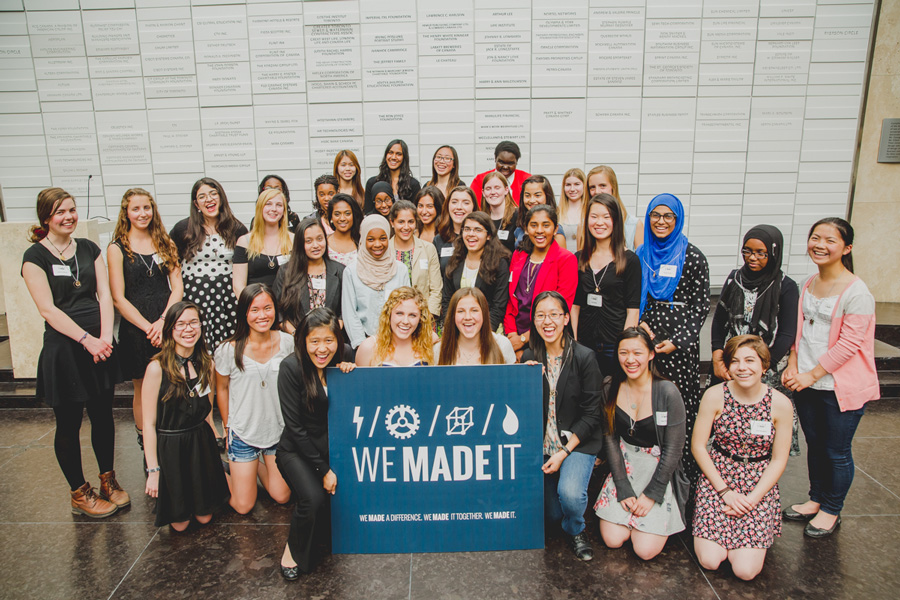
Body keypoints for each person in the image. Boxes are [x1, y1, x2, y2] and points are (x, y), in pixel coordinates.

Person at [22, 187, 128, 517]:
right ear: (46, 218)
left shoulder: (88, 248)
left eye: (71, 210)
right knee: (68, 423)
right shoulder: (34, 258)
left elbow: (105, 296)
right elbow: (48, 310)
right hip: (66, 349)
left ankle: (108, 479)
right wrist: (87, 340)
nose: (68, 217)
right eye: (60, 212)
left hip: (99, 343)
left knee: (102, 415)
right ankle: (80, 492)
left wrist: (105, 338)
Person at [782, 217, 879, 538]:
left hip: (839, 386)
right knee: (816, 446)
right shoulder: (808, 283)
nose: (820, 245)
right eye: (815, 238)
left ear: (846, 248)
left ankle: (831, 509)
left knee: (837, 450)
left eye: (830, 240)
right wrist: (793, 364)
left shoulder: (858, 292)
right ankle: (816, 499)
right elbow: (799, 332)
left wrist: (812, 374)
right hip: (806, 381)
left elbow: (850, 344)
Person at [692, 335, 793, 580]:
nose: (742, 367)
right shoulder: (715, 396)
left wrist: (752, 499)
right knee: (710, 560)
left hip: (757, 483)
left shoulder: (780, 404)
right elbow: (698, 446)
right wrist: (725, 491)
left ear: (764, 366)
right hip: (717, 478)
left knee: (745, 571)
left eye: (750, 360)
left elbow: (779, 459)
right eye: (735, 361)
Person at [521, 291, 604, 561]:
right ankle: (561, 504)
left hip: (576, 444)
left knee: (570, 497)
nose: (548, 321)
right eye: (541, 315)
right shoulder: (530, 357)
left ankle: (577, 529)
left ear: (566, 318)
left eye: (554, 314)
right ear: (533, 321)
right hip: (544, 447)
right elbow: (520, 409)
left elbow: (592, 414)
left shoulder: (584, 357)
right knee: (551, 514)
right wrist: (527, 380)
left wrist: (564, 453)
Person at [594, 328, 687, 561]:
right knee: (612, 540)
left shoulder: (667, 392)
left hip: (658, 469)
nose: (630, 359)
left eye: (637, 352)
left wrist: (652, 493)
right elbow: (610, 438)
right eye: (623, 353)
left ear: (651, 355)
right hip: (624, 464)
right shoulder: (610, 386)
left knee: (644, 551)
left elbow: (674, 449)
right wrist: (622, 486)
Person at [637, 193, 710, 483]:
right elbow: (634, 295)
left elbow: (701, 305)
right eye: (656, 215)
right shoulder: (642, 253)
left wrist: (679, 340)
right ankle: (646, 463)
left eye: (669, 216)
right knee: (647, 401)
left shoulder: (692, 257)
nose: (661, 221)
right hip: (647, 336)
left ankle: (680, 472)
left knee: (679, 404)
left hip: (679, 345)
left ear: (678, 220)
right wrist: (640, 325)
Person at [711, 225, 800, 454]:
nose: (753, 257)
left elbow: (787, 333)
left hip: (766, 366)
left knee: (762, 434)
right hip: (731, 363)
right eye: (747, 251)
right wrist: (717, 356)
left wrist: (760, 366)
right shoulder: (735, 278)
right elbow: (719, 320)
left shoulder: (785, 286)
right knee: (724, 428)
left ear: (774, 253)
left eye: (761, 253)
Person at [276, 307, 351, 579]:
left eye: (329, 340)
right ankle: (291, 553)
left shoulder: (344, 358)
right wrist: (324, 470)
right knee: (312, 499)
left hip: (333, 447)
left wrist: (350, 374)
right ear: (303, 342)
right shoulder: (290, 368)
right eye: (314, 341)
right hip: (296, 450)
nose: (322, 349)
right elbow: (294, 428)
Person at [142, 301, 230, 531]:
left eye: (193, 323)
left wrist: (217, 443)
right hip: (171, 446)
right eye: (180, 324)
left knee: (205, 518)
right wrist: (153, 471)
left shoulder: (207, 363)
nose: (188, 329)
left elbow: (207, 412)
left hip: (200, 444)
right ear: (170, 329)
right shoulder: (156, 368)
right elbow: (149, 425)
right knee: (180, 525)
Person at [108, 188, 183, 454]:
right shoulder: (117, 248)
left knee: (172, 381)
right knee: (141, 387)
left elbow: (177, 288)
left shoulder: (166, 243)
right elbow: (118, 298)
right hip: (136, 328)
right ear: (126, 213)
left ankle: (170, 436)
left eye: (147, 208)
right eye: (136, 209)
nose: (142, 214)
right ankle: (145, 442)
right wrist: (147, 326)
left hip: (167, 322)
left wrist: (163, 321)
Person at [215, 284, 292, 514]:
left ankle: (255, 467)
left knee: (282, 496)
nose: (262, 315)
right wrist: (228, 427)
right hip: (244, 432)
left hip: (277, 431)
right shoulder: (228, 350)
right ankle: (217, 472)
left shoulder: (287, 342)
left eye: (267, 308)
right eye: (254, 309)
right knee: (243, 506)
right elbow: (222, 388)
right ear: (244, 313)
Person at [170, 177, 248, 349]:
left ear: (221, 198)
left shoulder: (237, 228)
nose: (209, 199)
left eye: (213, 194)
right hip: (195, 297)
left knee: (231, 345)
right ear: (196, 204)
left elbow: (245, 264)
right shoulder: (183, 229)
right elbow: (170, 263)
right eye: (202, 196)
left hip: (228, 298)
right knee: (200, 345)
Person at [571, 194, 641, 377]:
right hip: (585, 344)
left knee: (612, 396)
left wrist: (625, 347)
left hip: (615, 344)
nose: (599, 222)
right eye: (594, 217)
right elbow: (575, 306)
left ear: (616, 220)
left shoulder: (630, 260)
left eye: (606, 217)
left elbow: (632, 311)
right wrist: (575, 342)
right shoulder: (578, 259)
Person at [505, 205, 578, 360]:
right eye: (533, 225)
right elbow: (511, 302)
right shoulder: (519, 255)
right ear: (526, 228)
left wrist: (523, 340)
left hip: (548, 340)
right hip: (514, 340)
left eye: (546, 225)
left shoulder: (566, 260)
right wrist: (512, 339)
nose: (539, 230)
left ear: (555, 228)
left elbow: (559, 310)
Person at [342, 214, 411, 348]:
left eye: (383, 238)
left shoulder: (400, 269)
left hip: (397, 342)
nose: (377, 244)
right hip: (365, 342)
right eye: (371, 239)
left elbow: (406, 307)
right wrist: (362, 345)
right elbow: (350, 313)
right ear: (363, 240)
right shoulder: (351, 272)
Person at [441, 211, 510, 331]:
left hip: (489, 330)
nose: (471, 234)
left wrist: (484, 335)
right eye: (467, 229)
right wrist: (453, 329)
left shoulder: (499, 264)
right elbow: (447, 300)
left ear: (488, 235)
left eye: (478, 230)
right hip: (457, 329)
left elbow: (499, 306)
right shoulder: (454, 261)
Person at [274, 218, 344, 335]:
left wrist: (332, 332)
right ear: (300, 244)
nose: (315, 245)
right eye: (308, 241)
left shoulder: (339, 271)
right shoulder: (286, 271)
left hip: (331, 338)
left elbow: (344, 311)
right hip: (295, 338)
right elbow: (278, 312)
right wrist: (296, 334)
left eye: (320, 239)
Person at [388, 200, 442, 324]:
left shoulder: (428, 249)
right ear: (392, 222)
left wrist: (426, 317)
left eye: (410, 222)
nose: (406, 227)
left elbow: (436, 289)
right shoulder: (385, 251)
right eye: (401, 222)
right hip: (393, 320)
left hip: (425, 318)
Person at [233, 188, 294, 296]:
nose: (274, 209)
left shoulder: (294, 240)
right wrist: (252, 307)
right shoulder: (245, 242)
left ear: (284, 210)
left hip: (287, 306)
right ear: (260, 207)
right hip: (256, 306)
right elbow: (238, 286)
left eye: (279, 205)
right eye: (268, 204)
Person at [355, 286, 434, 367]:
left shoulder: (428, 344)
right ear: (389, 314)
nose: (405, 321)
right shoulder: (369, 347)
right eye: (399, 313)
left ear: (421, 318)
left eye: (412, 315)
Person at [436, 288, 516, 365]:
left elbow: (515, 377)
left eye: (474, 310)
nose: (468, 317)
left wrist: (527, 370)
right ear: (453, 316)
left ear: (484, 314)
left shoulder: (502, 345)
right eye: (461, 311)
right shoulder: (439, 349)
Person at [587, 166, 643, 251]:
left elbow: (639, 259)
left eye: (602, 186)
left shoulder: (634, 224)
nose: (597, 191)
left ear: (613, 186)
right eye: (592, 187)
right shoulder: (587, 223)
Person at [364, 139, 421, 214]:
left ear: (404, 158)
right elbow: (368, 213)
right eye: (390, 153)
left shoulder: (413, 185)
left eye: (398, 154)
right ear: (386, 155)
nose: (394, 157)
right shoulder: (372, 183)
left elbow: (416, 214)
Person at [513, 175, 566, 249]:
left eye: (537, 195)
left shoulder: (555, 231)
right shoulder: (520, 228)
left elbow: (563, 258)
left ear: (547, 196)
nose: (532, 200)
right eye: (527, 195)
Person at [471, 141, 531, 205]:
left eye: (510, 163)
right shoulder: (480, 180)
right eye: (501, 162)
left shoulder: (527, 180)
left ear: (517, 162)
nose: (505, 167)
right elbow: (473, 207)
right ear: (495, 159)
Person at [433, 185, 476, 272]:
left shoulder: (480, 237)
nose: (459, 207)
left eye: (466, 203)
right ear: (448, 206)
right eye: (454, 202)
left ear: (473, 207)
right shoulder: (439, 239)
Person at [481, 171, 518, 253]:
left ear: (506, 190)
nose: (493, 192)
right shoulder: (482, 219)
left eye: (497, 188)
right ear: (483, 193)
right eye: (488, 189)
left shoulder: (518, 215)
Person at [325, 193, 362, 266]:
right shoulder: (324, 243)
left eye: (347, 213)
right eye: (337, 214)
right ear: (331, 217)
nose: (342, 218)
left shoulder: (362, 242)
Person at [560, 168, 587, 250]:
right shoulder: (557, 212)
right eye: (568, 185)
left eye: (577, 184)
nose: (572, 189)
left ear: (584, 185)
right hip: (563, 261)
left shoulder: (590, 212)